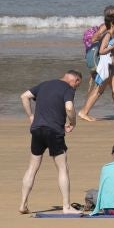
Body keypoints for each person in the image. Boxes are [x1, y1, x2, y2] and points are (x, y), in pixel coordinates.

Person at [18, 70, 84, 214]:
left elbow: (24, 96)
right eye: (77, 85)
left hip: (37, 130)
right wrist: (73, 122)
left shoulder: (45, 84)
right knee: (62, 168)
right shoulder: (68, 89)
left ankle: (23, 204)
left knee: (32, 167)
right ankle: (66, 207)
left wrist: (30, 116)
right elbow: (69, 107)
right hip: (54, 131)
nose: (76, 88)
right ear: (75, 80)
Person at [81, 9, 114, 121]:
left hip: (109, 63)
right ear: (112, 18)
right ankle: (83, 112)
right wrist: (111, 44)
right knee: (99, 89)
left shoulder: (110, 31)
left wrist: (113, 43)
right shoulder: (106, 29)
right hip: (104, 63)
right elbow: (97, 42)